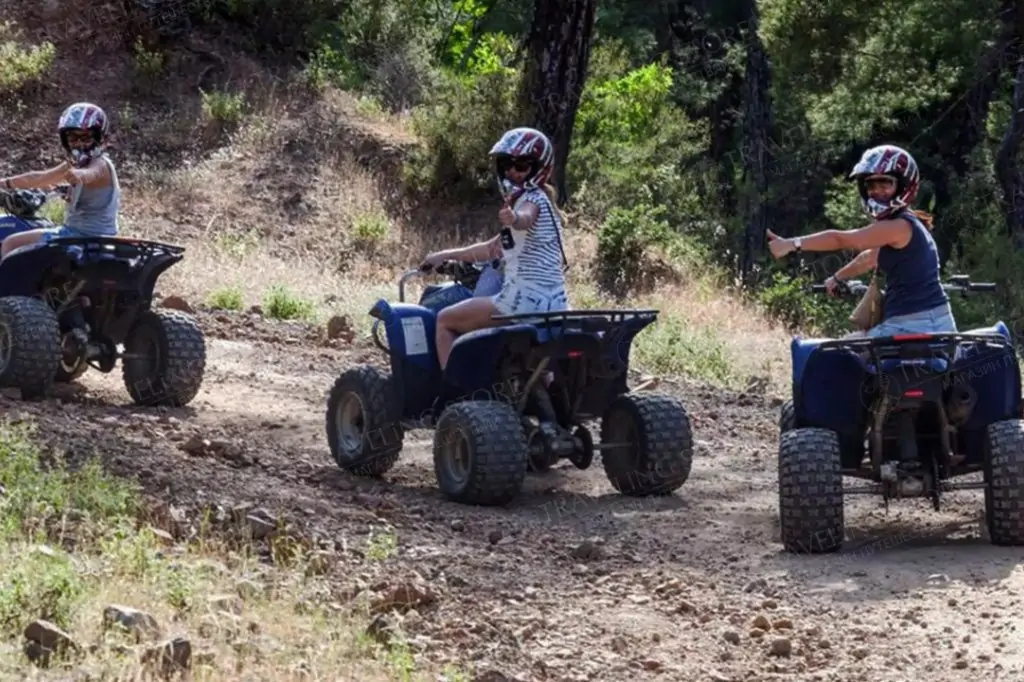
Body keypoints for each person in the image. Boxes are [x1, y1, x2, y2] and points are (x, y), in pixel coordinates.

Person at [767, 144, 956, 338]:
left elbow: (841, 239)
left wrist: (791, 244)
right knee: (849, 350)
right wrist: (837, 278)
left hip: (915, 325)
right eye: (871, 185)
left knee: (832, 355)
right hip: (927, 322)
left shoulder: (898, 226)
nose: (877, 191)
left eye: (885, 184)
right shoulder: (907, 224)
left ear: (903, 185)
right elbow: (870, 258)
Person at [420, 126, 570, 370]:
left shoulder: (531, 199)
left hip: (521, 302)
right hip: (556, 305)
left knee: (444, 320)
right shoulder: (547, 206)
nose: (512, 171)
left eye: (521, 166)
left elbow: (525, 218)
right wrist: (444, 255)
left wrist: (514, 219)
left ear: (539, 168)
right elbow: (491, 249)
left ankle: (457, 394)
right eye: (506, 165)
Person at [0, 102, 120, 258]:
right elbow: (39, 178)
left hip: (81, 238)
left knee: (11, 243)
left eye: (85, 137)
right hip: (82, 236)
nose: (78, 143)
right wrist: (5, 182)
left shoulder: (100, 164)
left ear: (99, 138)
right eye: (72, 137)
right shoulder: (77, 164)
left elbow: (93, 173)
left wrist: (80, 175)